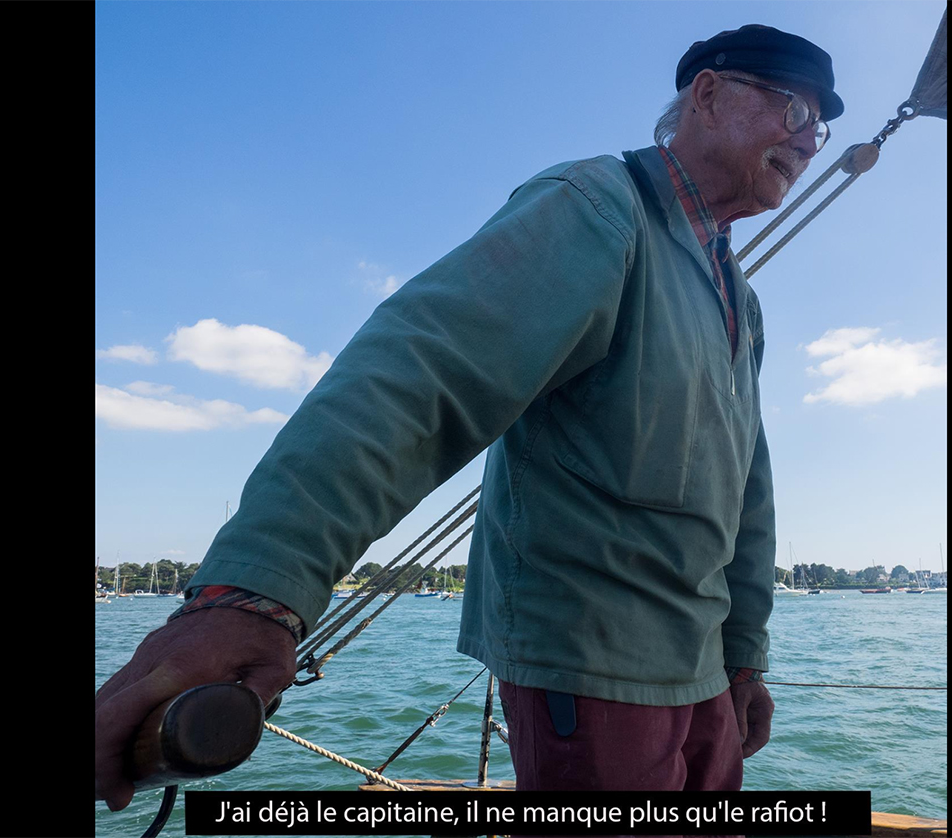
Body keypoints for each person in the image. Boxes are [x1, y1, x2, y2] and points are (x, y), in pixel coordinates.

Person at [95, 22, 842, 809]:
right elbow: (417, 377)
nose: (808, 142)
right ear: (709, 96)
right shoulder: (599, 210)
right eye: (793, 110)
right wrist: (253, 590)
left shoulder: (739, 298)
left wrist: (744, 657)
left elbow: (747, 489)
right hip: (592, 669)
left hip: (704, 674)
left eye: (819, 129)